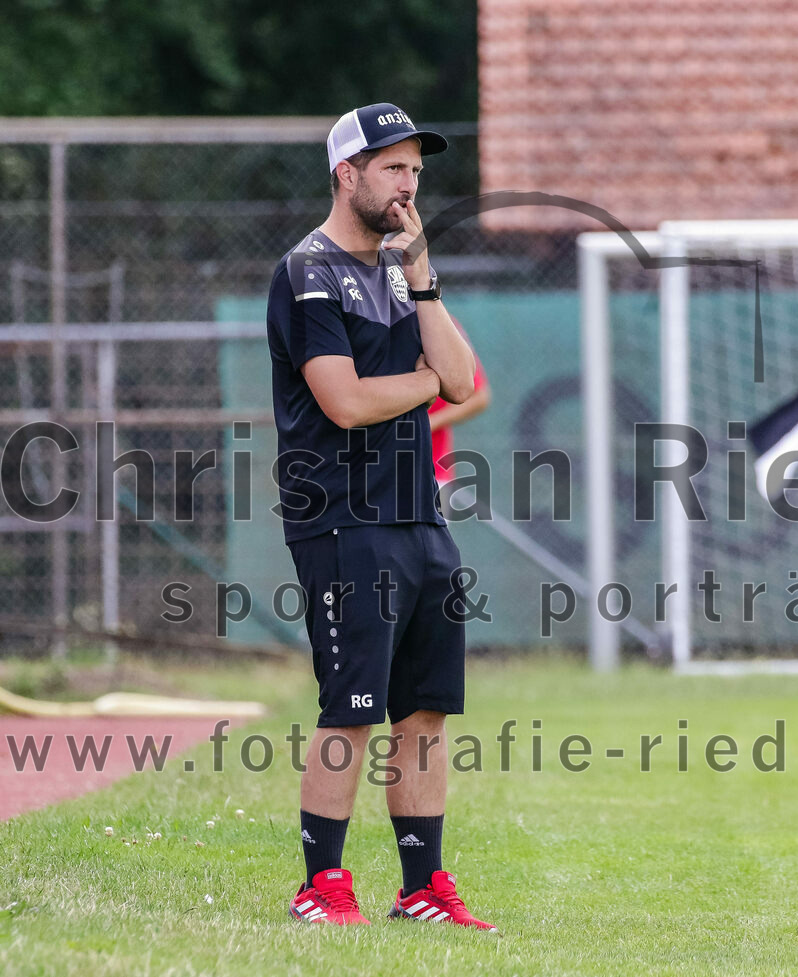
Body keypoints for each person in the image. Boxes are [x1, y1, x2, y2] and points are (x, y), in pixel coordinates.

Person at [265, 102, 496, 930]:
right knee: (352, 710)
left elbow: (466, 378)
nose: (409, 186)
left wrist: (425, 275)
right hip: (341, 519)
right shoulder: (306, 272)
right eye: (393, 168)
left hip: (418, 517)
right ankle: (320, 887)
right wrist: (430, 382)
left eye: (416, 172)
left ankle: (422, 888)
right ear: (347, 174)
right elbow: (347, 401)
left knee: (425, 710)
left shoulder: (404, 272)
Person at [428, 325, 490, 511]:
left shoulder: (442, 324)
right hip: (372, 471)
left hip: (431, 471)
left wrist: (425, 424)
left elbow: (479, 397)